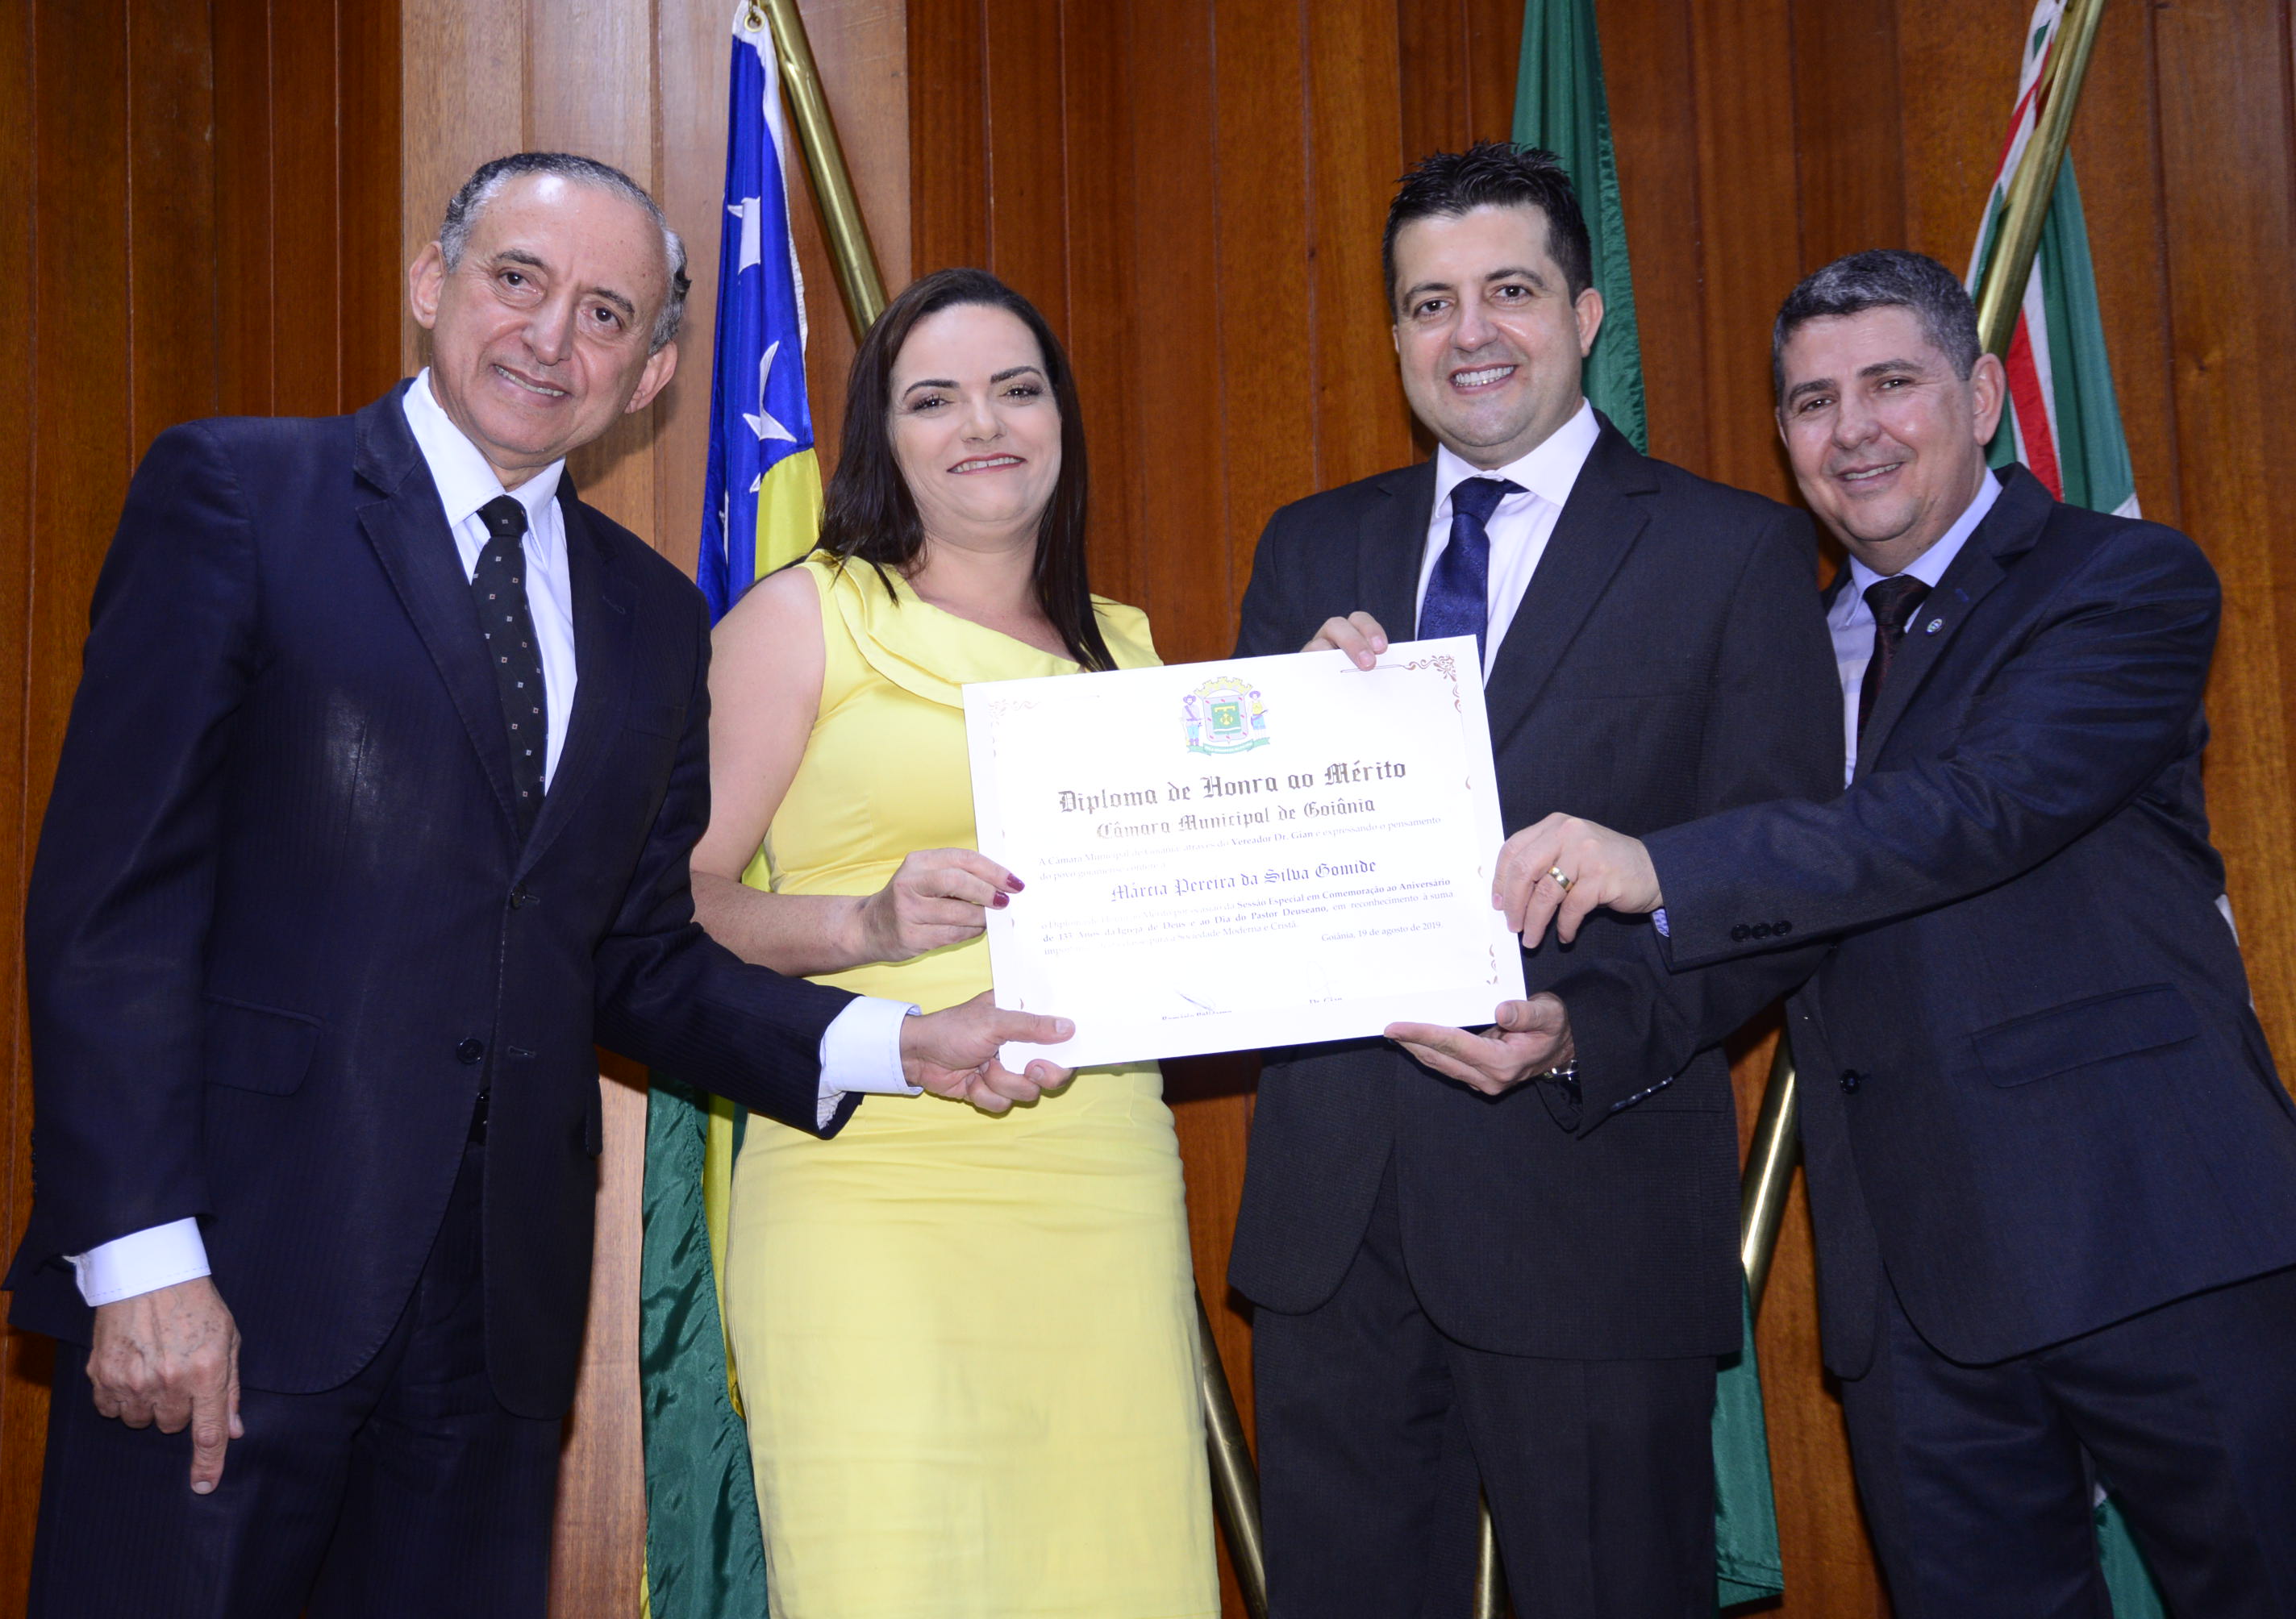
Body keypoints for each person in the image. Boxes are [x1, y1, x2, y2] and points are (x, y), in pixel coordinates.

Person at [5, 153, 1066, 1619]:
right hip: (226, 1292)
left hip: (492, 1341)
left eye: (606, 314)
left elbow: (635, 957)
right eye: (518, 280)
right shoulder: (240, 496)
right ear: (432, 283)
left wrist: (898, 1043)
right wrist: (139, 1259)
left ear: (653, 375)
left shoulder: (653, 619)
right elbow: (110, 910)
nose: (551, 337)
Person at [1497, 249, 2296, 1617]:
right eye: (1813, 403)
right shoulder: (1786, 650)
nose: (1852, 430)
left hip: (2155, 1239)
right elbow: (1758, 916)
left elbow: (1977, 809)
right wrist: (1580, 1027)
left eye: (1890, 385)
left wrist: (1659, 861)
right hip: (1910, 1296)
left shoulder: (2122, 580)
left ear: (1980, 396)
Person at [1227, 141, 1843, 1618]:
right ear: (1395, 337)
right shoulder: (1309, 548)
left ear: (1584, 313)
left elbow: (1777, 882)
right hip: (1334, 1225)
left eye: (1508, 290)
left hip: (1589, 1206)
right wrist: (1278, 731)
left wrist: (1585, 1031)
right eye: (1428, 303)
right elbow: (1245, 866)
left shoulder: (1736, 551)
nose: (1470, 334)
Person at [688, 268, 1219, 1619]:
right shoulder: (802, 618)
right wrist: (860, 925)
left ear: (1061, 419)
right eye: (935, 399)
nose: (983, 424)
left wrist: (1348, 702)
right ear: (884, 436)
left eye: (1016, 390)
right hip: (875, 1181)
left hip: (1100, 1178)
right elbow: (671, 910)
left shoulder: (1131, 653)